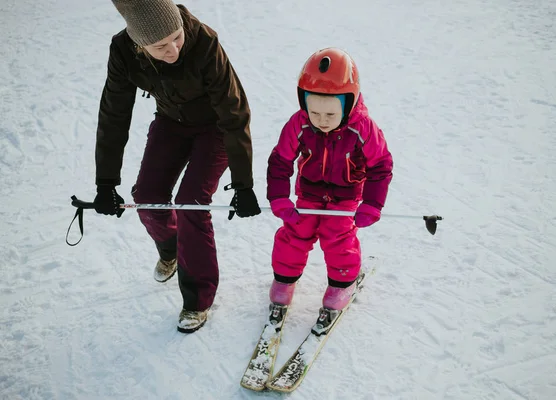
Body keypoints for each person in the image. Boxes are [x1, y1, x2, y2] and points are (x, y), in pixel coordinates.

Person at [93, 0, 261, 333]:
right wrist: (105, 182)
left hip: (215, 129)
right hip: (171, 123)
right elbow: (113, 115)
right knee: (147, 198)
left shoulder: (204, 43)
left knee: (192, 205)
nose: (172, 50)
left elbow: (234, 114)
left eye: (176, 38)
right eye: (159, 46)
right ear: (140, 45)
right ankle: (171, 247)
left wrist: (243, 184)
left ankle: (198, 299)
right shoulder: (123, 51)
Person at [266, 48, 393, 333]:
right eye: (315, 112)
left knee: (338, 238)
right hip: (308, 194)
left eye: (331, 113)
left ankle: (340, 287)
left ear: (348, 105)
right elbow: (280, 160)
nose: (322, 120)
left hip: (345, 196)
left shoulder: (363, 128)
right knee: (295, 233)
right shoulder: (299, 124)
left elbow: (381, 165)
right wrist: (278, 197)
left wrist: (372, 204)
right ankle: (284, 282)